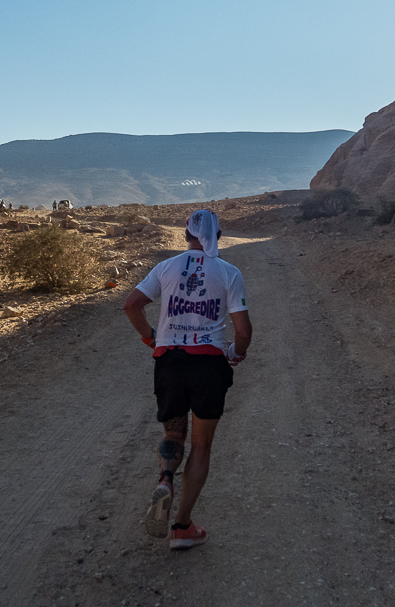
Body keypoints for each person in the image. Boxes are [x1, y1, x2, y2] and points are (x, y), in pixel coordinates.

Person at [122, 208, 253, 549]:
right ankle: (181, 527)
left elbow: (132, 304)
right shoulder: (229, 272)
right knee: (201, 444)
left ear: (186, 235)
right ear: (219, 235)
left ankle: (166, 477)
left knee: (173, 433)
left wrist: (151, 337)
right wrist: (236, 354)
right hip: (208, 365)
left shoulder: (165, 267)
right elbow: (243, 330)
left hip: (169, 361)